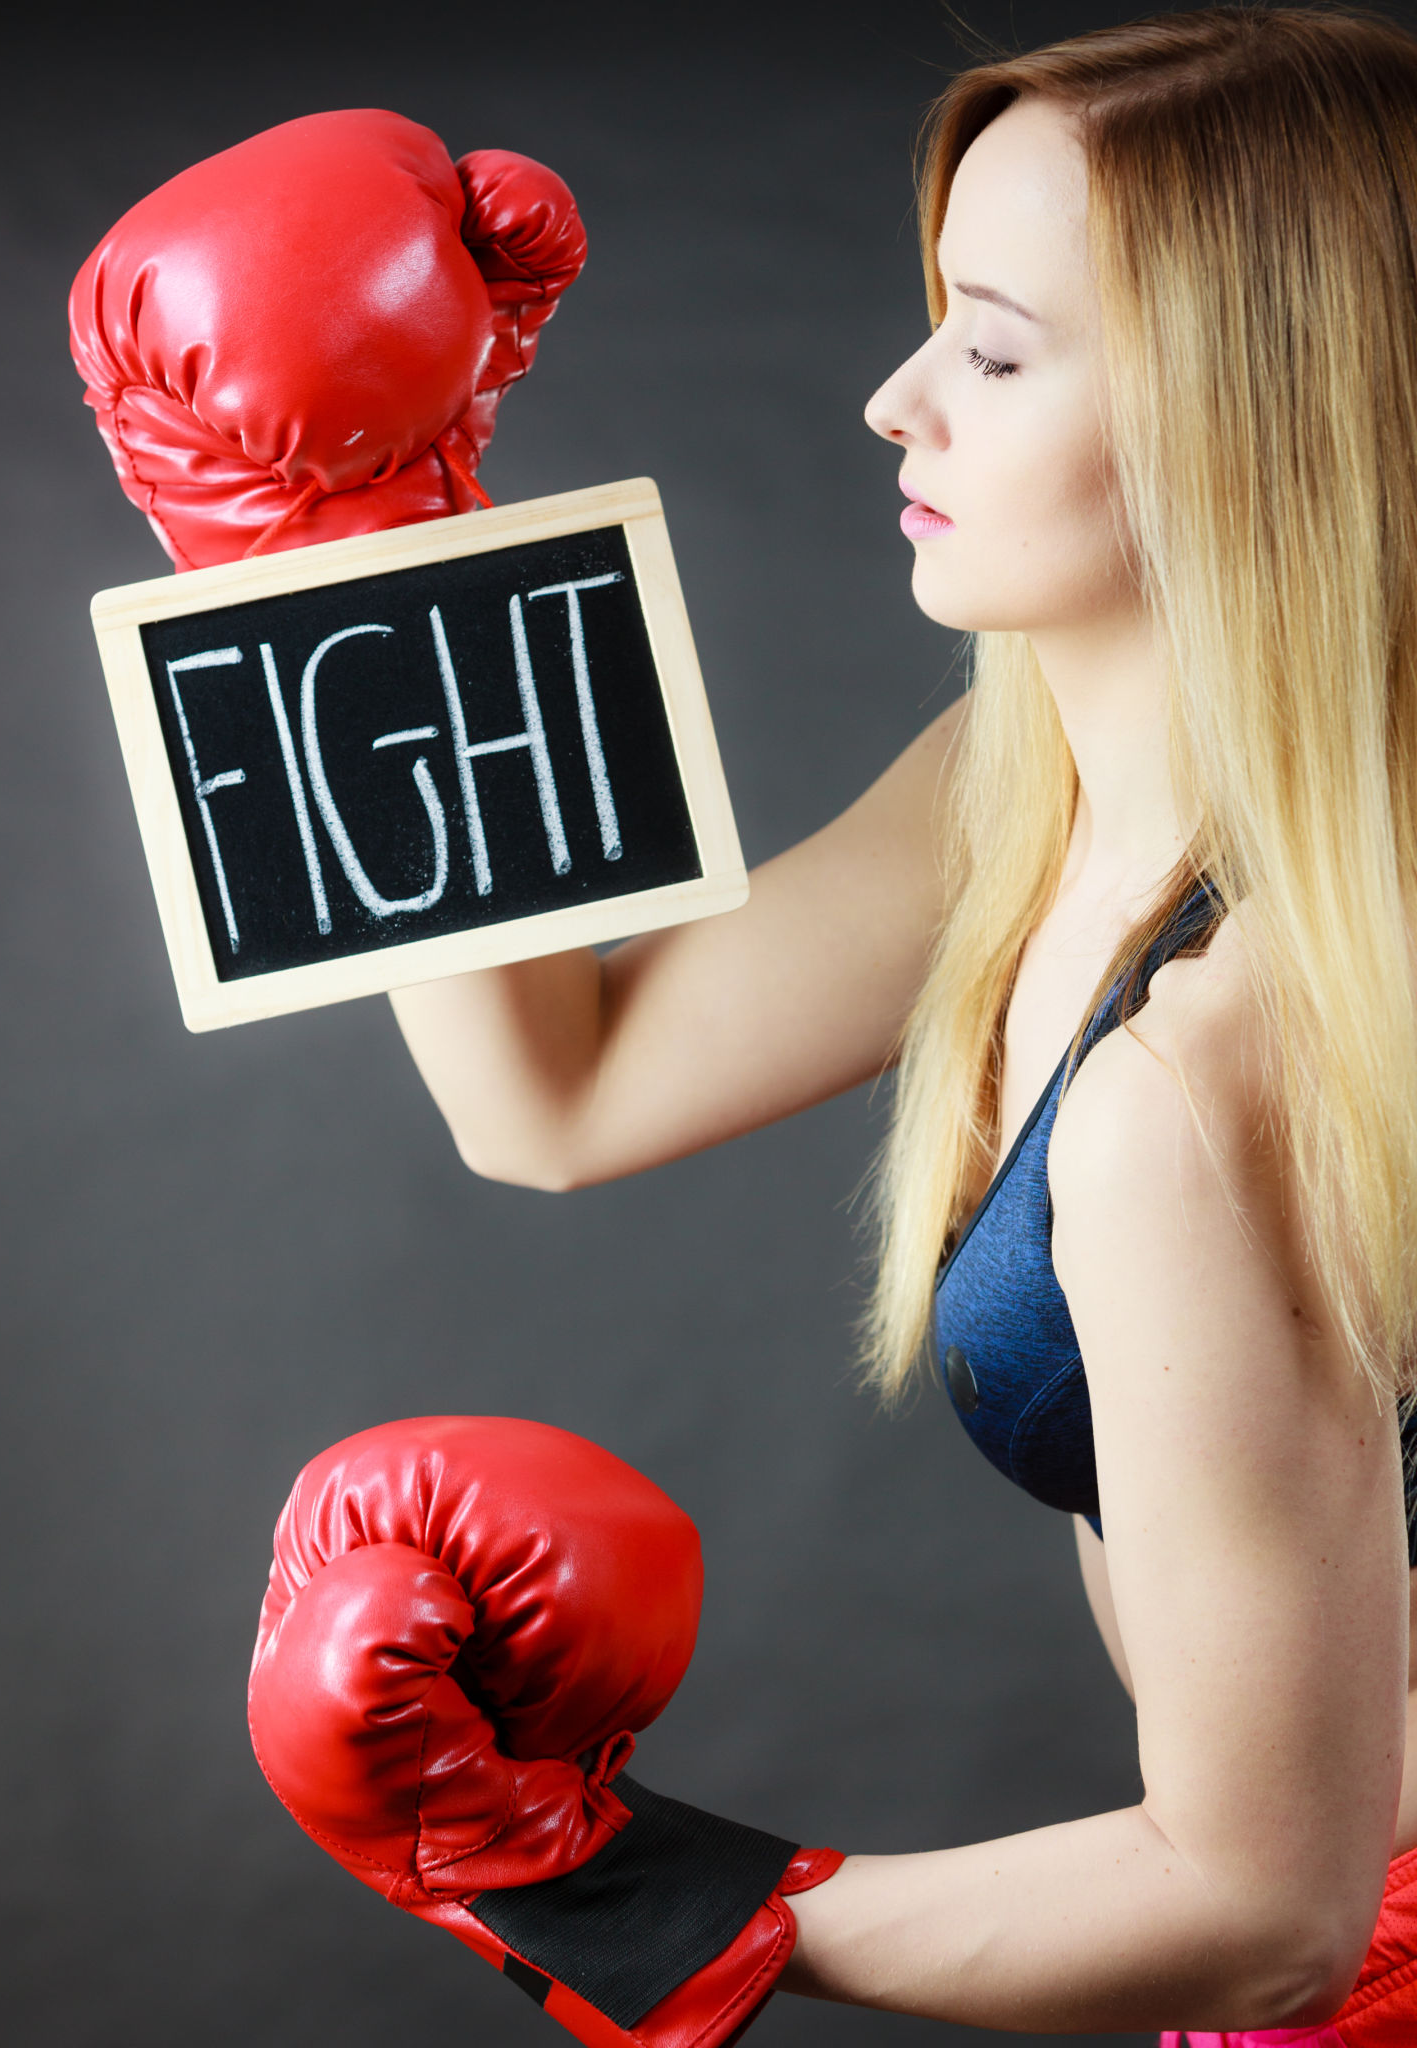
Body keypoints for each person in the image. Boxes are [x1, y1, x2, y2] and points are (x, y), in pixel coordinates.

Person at [372, 6, 1417, 2041]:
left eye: (995, 353)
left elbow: (1264, 1901)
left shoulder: (1218, 1064)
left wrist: (600, 1890)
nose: (893, 401)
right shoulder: (1013, 797)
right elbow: (555, 1096)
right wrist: (361, 554)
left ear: (1252, 413)